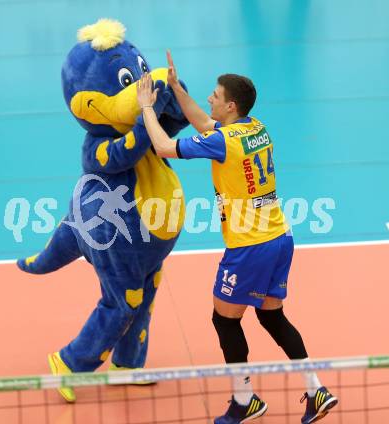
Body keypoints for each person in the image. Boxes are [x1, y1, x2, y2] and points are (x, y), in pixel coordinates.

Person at [135, 51, 338, 424]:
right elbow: (205, 125)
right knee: (271, 318)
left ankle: (245, 401)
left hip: (250, 246)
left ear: (230, 104)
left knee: (225, 320)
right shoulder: (254, 127)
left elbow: (164, 147)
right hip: (279, 237)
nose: (209, 98)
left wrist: (146, 107)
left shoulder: (224, 141)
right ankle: (316, 389)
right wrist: (177, 88)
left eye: (214, 94)